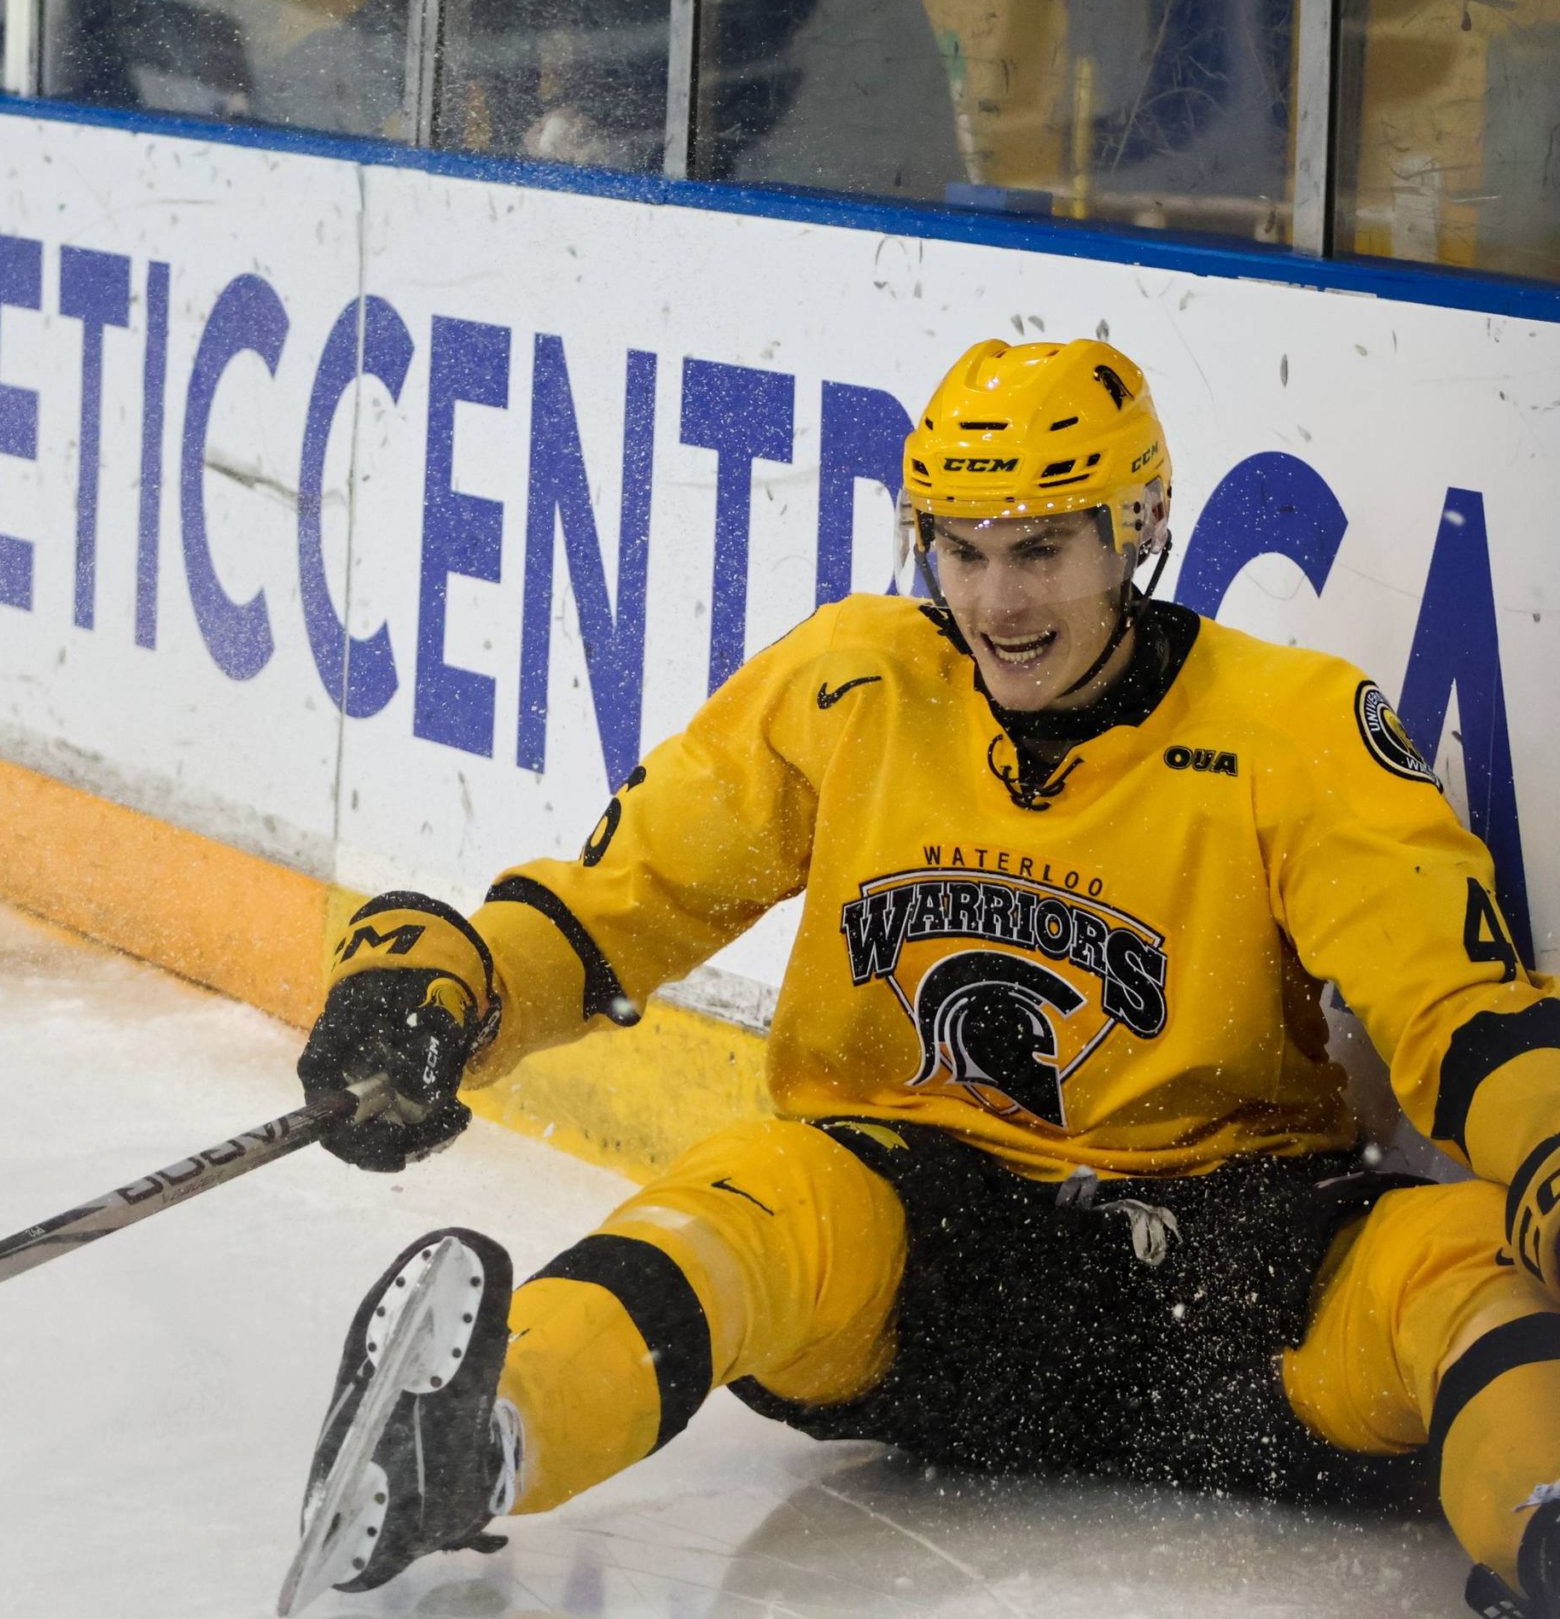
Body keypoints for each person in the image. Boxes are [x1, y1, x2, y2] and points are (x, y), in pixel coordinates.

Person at [286, 338, 1560, 1618]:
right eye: (960, 550)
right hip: (925, 1280)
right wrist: (451, 986)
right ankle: (469, 1445)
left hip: (1230, 1292)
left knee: (1454, 1256)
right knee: (757, 1194)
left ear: (1137, 531)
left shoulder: (1293, 729)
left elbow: (1460, 1012)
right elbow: (620, 905)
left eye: (1039, 551)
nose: (996, 603)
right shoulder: (854, 683)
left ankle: (1546, 1526)